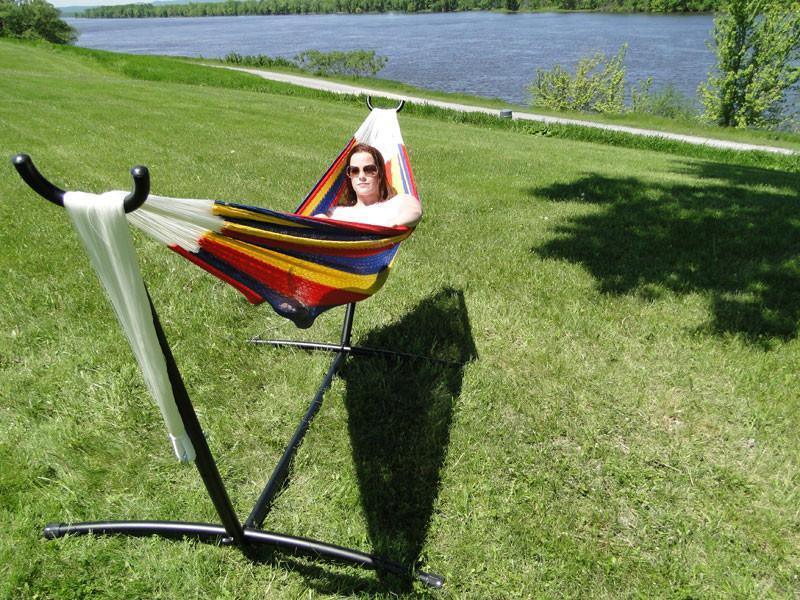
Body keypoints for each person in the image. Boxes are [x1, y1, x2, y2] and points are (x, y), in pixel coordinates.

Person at [316, 143, 422, 228]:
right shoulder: (336, 213)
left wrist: (390, 226)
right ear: (349, 176)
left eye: (369, 170)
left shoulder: (396, 203)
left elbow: (415, 211)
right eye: (354, 171)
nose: (361, 176)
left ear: (380, 173)